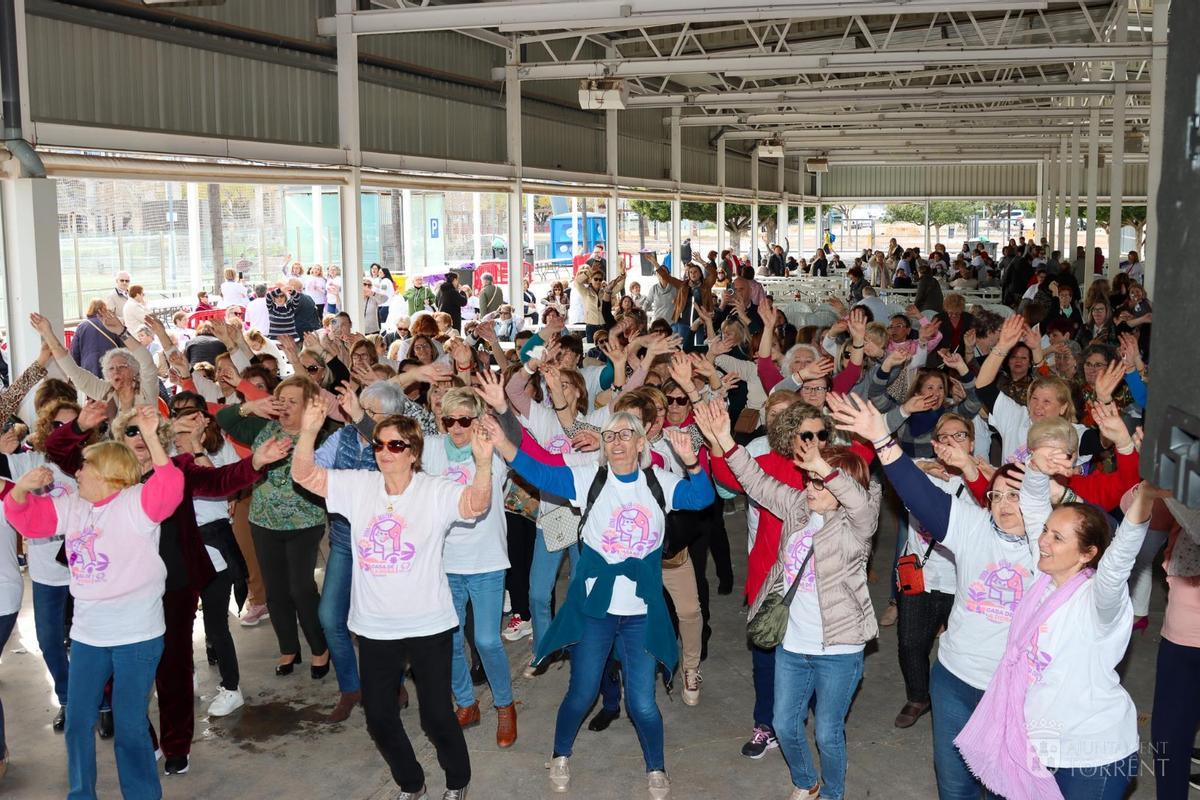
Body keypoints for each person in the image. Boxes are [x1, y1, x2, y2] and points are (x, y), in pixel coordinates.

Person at [484, 410, 714, 799]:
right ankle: (560, 754)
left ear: (641, 443)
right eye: (610, 436)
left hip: (641, 612)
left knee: (642, 703)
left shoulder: (660, 482)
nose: (618, 441)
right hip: (596, 609)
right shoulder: (589, 479)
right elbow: (540, 473)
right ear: (604, 447)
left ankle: (656, 767)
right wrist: (502, 442)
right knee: (582, 691)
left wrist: (692, 462)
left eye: (627, 434)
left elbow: (702, 496)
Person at [827, 392, 1037, 800]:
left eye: (1017, 496)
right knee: (955, 786)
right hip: (955, 680)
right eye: (998, 495)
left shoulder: (1051, 548)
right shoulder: (973, 526)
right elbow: (918, 495)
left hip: (1014, 691)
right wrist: (881, 440)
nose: (1005, 505)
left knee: (1002, 788)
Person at [292, 398, 494, 800]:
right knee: (379, 717)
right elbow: (304, 475)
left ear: (414, 453)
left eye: (396, 445)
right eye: (380, 445)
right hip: (374, 626)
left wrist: (483, 463)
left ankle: (457, 781)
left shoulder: (433, 490)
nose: (385, 452)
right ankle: (411, 782)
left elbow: (476, 503)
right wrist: (309, 431)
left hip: (428, 624)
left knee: (436, 717)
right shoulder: (357, 486)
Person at [695, 400, 878, 800]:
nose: (808, 487)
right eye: (809, 480)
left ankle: (832, 793)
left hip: (839, 648)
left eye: (817, 483)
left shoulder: (857, 526)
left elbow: (860, 502)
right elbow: (756, 481)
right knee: (784, 723)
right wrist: (725, 437)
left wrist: (824, 468)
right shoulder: (798, 508)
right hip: (793, 645)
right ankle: (804, 780)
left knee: (829, 732)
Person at [955, 466, 1163, 799]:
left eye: (1056, 537)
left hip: (1093, 755)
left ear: (1088, 554)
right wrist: (1037, 466)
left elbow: (1118, 562)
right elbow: (1036, 504)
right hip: (1040, 744)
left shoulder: (1098, 601)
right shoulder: (1044, 584)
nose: (1043, 541)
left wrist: (1144, 501)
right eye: (1046, 531)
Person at [6, 406, 182, 800]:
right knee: (78, 720)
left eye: (85, 467)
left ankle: (141, 794)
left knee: (130, 723)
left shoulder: (137, 503)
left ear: (108, 474)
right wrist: (20, 489)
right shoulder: (74, 506)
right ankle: (81, 794)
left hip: (137, 633)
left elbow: (170, 486)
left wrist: (152, 437)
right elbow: (29, 521)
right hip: (88, 634)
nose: (78, 472)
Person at [216, 377, 332, 681]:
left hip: (305, 522)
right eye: (281, 401)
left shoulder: (319, 435)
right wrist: (253, 405)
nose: (285, 407)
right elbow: (223, 418)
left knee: (301, 588)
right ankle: (288, 649)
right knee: (276, 591)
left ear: (308, 406)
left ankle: (320, 648)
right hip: (263, 522)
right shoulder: (262, 428)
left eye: (293, 401)